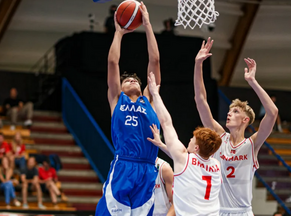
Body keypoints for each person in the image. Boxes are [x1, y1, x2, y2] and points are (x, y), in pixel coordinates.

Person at [193, 38, 277, 215]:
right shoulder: (219, 138)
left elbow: (273, 113)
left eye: (236, 111)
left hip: (243, 212)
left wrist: (252, 81)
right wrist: (198, 65)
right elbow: (200, 101)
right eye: (230, 111)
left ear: (246, 120)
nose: (229, 114)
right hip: (218, 211)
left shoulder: (251, 144)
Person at [95, 2, 162, 215]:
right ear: (121, 89)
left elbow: (155, 60)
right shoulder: (117, 100)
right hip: (124, 165)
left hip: (147, 167)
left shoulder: (150, 99)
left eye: (135, 79)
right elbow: (113, 63)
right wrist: (118, 33)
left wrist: (148, 24)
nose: (132, 79)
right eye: (128, 79)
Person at [147, 72, 222, 215]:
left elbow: (166, 123)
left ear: (197, 147)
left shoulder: (184, 158)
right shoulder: (215, 164)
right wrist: (162, 145)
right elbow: (189, 163)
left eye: (192, 139)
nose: (189, 139)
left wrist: (155, 94)